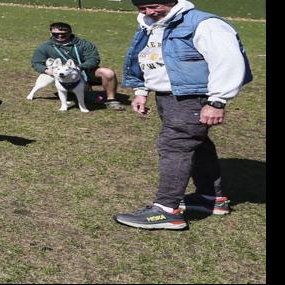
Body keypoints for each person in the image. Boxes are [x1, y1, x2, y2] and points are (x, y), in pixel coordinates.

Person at [113, 0, 251, 231]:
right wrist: (141, 90)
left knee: (175, 145)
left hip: (192, 97)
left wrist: (217, 101)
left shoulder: (205, 24)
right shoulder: (152, 24)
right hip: (168, 96)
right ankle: (211, 199)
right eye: (141, 7)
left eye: (153, 5)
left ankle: (167, 211)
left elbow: (228, 61)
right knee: (197, 144)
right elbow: (149, 59)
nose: (148, 12)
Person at [29, 22, 126, 111]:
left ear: (70, 32)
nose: (59, 36)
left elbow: (94, 59)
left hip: (85, 71)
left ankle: (111, 100)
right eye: (55, 34)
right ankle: (72, 93)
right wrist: (47, 71)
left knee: (108, 73)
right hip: (63, 74)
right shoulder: (45, 47)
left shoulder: (83, 44)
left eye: (64, 34)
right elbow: (36, 63)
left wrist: (80, 68)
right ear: (50, 33)